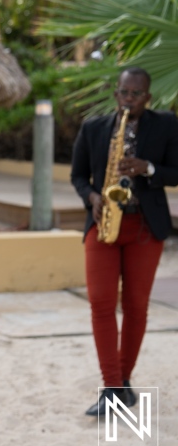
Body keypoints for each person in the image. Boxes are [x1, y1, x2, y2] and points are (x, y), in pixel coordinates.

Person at [71, 67, 178, 417]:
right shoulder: (94, 128)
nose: (129, 100)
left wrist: (148, 169)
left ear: (148, 97)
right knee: (101, 305)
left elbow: (175, 172)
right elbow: (78, 175)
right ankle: (112, 387)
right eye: (124, 93)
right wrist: (91, 197)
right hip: (103, 225)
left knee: (136, 307)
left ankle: (122, 383)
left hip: (145, 226)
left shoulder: (166, 125)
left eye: (136, 94)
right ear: (116, 93)